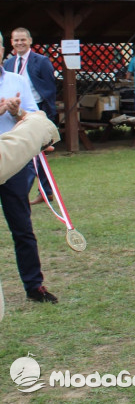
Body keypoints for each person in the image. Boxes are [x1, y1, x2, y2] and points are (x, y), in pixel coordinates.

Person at [0, 31, 58, 304]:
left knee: (22, 227)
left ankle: (34, 287)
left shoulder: (15, 80)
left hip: (13, 165)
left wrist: (15, 112)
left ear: (3, 50)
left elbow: (35, 117)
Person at [3, 28, 57, 204]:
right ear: (11, 43)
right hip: (13, 115)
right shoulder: (9, 63)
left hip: (36, 111)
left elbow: (50, 88)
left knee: (38, 154)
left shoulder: (41, 61)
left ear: (30, 41)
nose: (19, 43)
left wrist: (40, 115)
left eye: (22, 40)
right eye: (16, 40)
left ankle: (46, 190)